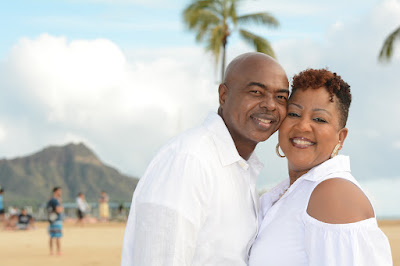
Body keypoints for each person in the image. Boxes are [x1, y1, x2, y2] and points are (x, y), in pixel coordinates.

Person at [121, 52, 290, 265]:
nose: (270, 105)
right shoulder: (189, 159)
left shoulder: (241, 167)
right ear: (223, 95)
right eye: (256, 92)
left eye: (281, 97)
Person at [249, 68, 392, 265]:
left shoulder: (333, 193)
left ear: (340, 138)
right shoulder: (285, 192)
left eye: (319, 119)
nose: (303, 126)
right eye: (294, 113)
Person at [47, 187, 64, 255]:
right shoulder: (55, 200)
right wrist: (61, 207)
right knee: (58, 236)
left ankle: (51, 251)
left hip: (51, 220)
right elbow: (58, 210)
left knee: (51, 236)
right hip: (57, 220)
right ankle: (58, 251)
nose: (60, 192)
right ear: (55, 192)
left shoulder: (50, 200)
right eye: (59, 191)